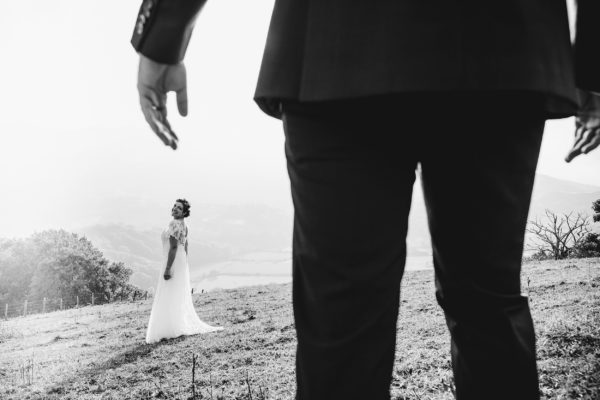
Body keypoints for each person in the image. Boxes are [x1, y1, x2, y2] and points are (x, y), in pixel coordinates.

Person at [131, 1, 600, 398]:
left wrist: (163, 37)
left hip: (337, 48)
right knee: (487, 304)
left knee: (342, 319)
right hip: (500, 47)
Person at [146, 199, 223, 344]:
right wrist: (184, 262)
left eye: (179, 208)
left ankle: (169, 329)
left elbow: (174, 247)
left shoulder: (175, 224)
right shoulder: (183, 225)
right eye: (175, 206)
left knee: (169, 291)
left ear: (184, 212)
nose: (175, 209)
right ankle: (173, 325)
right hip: (179, 260)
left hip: (173, 260)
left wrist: (169, 268)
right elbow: (186, 244)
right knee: (175, 292)